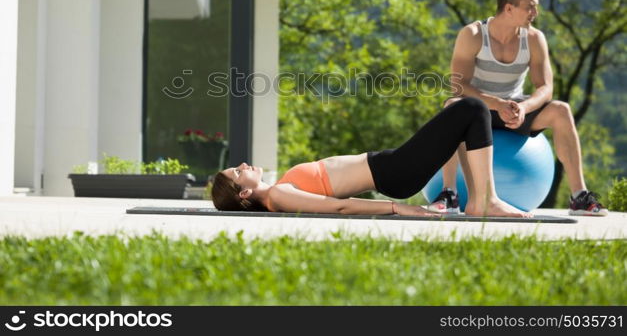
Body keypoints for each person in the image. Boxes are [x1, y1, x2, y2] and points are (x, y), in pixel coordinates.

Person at [428, 0, 608, 217]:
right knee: (453, 105)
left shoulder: (534, 39)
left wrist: (524, 108)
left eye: (536, 5)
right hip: (480, 110)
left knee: (561, 110)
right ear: (509, 8)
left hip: (516, 110)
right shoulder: (472, 35)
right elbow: (458, 85)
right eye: (530, 6)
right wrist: (496, 103)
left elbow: (545, 87)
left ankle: (579, 197)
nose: (535, 11)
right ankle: (449, 193)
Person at [211, 97, 532, 218]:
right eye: (238, 173)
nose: (242, 165)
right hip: (395, 172)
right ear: (245, 193)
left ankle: (481, 200)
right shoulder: (279, 195)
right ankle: (483, 201)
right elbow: (339, 206)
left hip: (393, 166)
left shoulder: (279, 190)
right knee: (470, 108)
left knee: (465, 112)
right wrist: (397, 208)